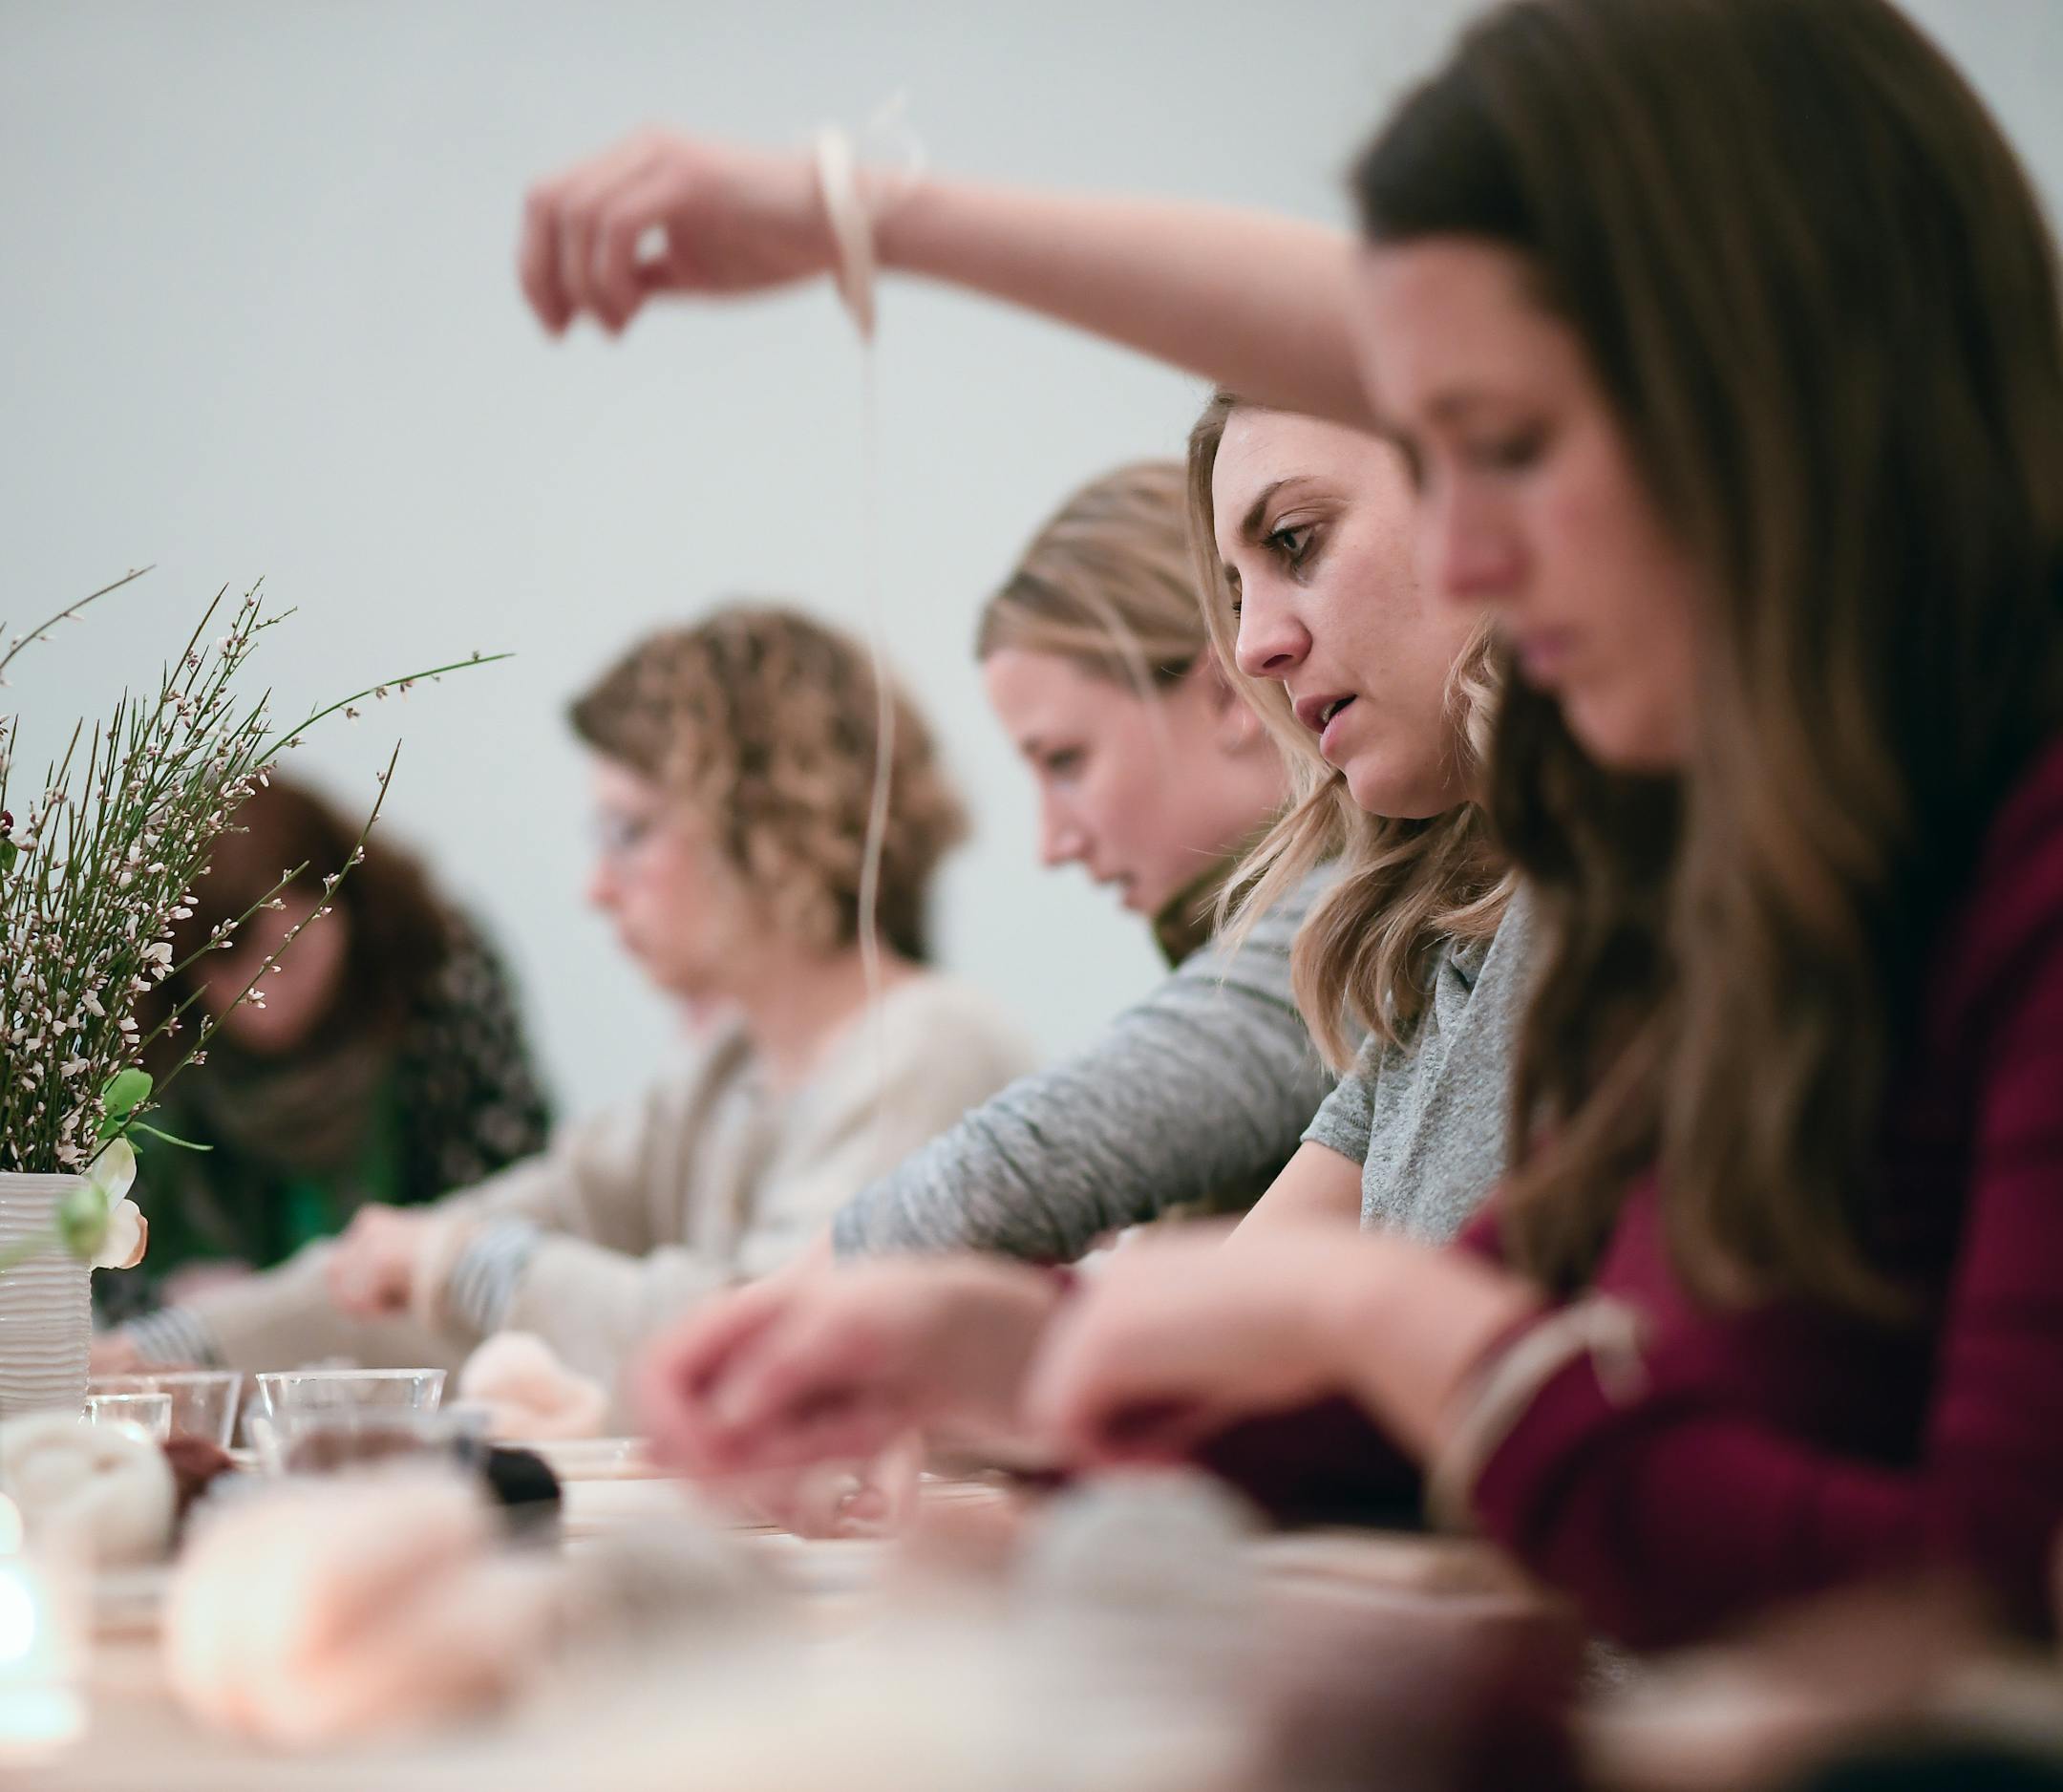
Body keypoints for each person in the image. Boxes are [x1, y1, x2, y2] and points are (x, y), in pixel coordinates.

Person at [521, 0, 2063, 1648]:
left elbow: (1974, 1609)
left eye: (1515, 445)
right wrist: (1026, 1361)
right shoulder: (1722, 883)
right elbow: (1545, 1415)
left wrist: (1370, 1313)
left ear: (1783, 399)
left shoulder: (2001, 858)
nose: (1470, 559)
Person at [637, 393, 1526, 1480]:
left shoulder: (1461, 919)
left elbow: (1040, 1165)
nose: (1255, 646)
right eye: (1235, 592)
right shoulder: (1413, 944)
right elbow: (1220, 1379)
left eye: (1295, 544)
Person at [112, 604, 1032, 1419]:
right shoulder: (725, 1076)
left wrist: (467, 1267)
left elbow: (764, 1351)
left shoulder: (926, 1049)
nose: (597, 888)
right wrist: (176, 1350)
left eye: (630, 831)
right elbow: (490, 1232)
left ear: (770, 826)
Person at [833, 455, 1326, 1261]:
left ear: (1227, 695)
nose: (1051, 845)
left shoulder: (1346, 933)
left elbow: (1025, 1167)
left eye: (1064, 761)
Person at [101, 777, 551, 1336]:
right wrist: (165, 1305)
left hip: (420, 1354)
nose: (263, 994)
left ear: (345, 906)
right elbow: (92, 1250)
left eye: (285, 951)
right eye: (225, 965)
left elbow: (511, 1208)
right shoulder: (144, 1028)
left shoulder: (435, 970)